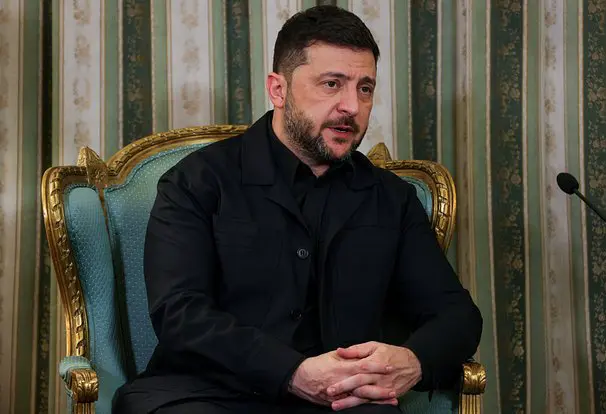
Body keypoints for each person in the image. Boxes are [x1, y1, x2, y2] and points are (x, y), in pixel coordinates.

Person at [112, 5, 482, 414]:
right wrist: (291, 372)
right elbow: (179, 312)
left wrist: (413, 361)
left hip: (342, 401)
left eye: (365, 88)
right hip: (206, 392)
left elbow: (457, 315)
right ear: (278, 90)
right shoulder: (197, 181)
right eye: (332, 84)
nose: (351, 106)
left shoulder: (392, 198)